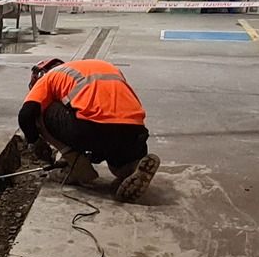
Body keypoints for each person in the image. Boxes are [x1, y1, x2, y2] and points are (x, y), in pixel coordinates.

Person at [18, 57, 161, 203]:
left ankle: (78, 167)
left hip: (92, 129)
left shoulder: (48, 77)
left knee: (40, 113)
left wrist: (34, 141)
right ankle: (131, 168)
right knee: (116, 159)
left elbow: (26, 115)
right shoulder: (101, 67)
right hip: (134, 130)